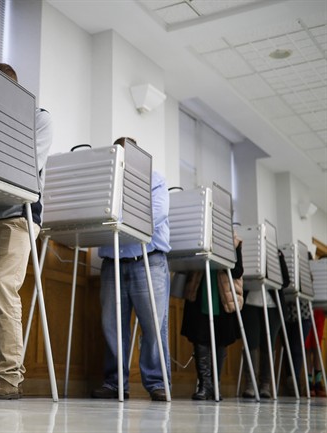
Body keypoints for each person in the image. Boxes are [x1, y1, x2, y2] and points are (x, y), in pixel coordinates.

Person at [0, 63, 53, 400]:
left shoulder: (39, 118)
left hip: (20, 215)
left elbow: (25, 167)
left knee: (4, 289)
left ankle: (9, 378)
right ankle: (3, 374)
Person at [91, 138, 171, 402]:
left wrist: (112, 216)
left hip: (148, 260)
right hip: (113, 262)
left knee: (153, 326)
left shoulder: (154, 179)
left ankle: (158, 383)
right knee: (112, 326)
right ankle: (115, 384)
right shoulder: (104, 181)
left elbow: (154, 214)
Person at [179, 231, 244, 400]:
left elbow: (238, 271)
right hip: (199, 294)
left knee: (220, 341)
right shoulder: (198, 232)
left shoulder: (234, 241)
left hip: (222, 299)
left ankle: (215, 385)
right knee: (200, 339)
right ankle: (204, 385)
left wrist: (219, 260)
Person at [240, 248, 289, 399]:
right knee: (251, 343)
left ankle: (265, 385)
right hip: (250, 303)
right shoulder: (248, 250)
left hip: (272, 305)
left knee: (268, 344)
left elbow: (285, 281)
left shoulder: (276, 253)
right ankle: (250, 384)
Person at [306, 307, 325, 397]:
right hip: (305, 309)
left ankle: (318, 381)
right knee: (307, 344)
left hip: (319, 307)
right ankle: (308, 381)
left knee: (317, 343)